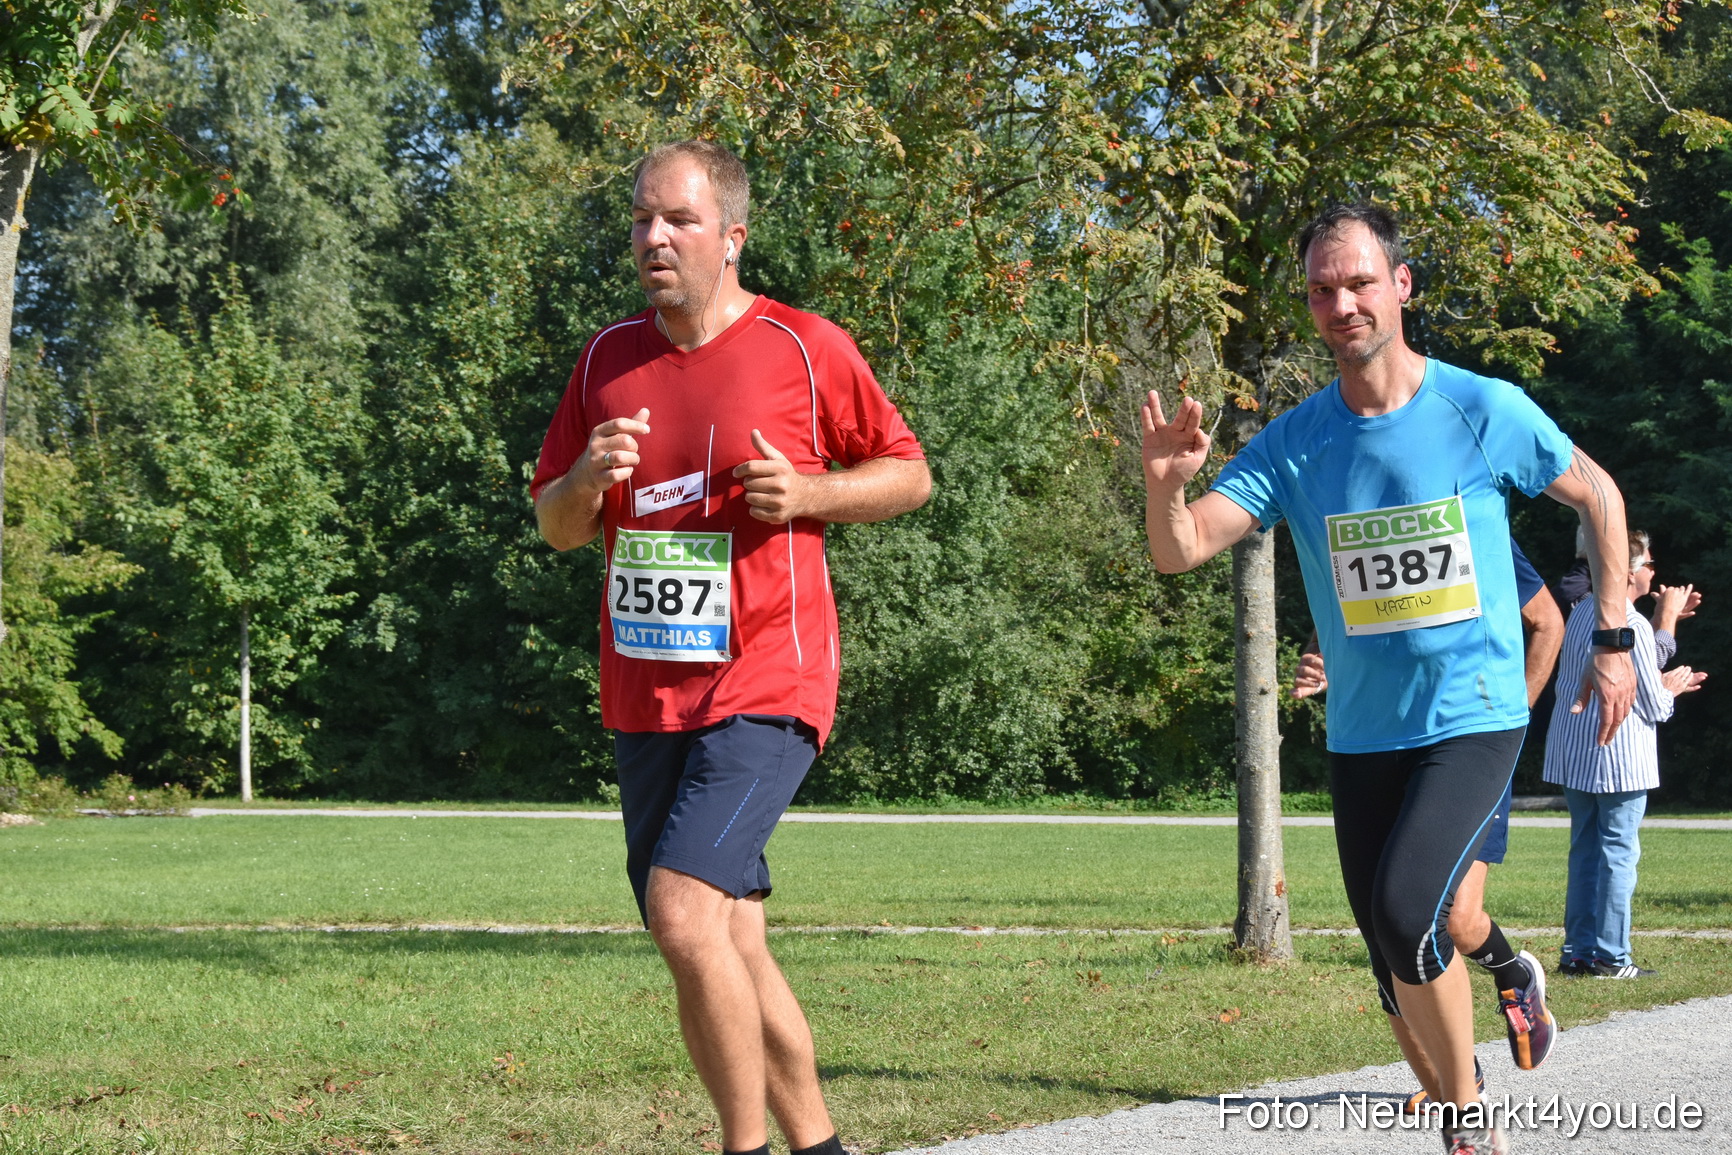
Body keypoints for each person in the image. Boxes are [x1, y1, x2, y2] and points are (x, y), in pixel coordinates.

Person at [1142, 202, 1636, 1155]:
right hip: (1366, 731)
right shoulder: (1297, 441)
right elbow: (1183, 550)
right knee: (1390, 950)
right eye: (1324, 289)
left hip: (1475, 715)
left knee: (1419, 911)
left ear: (1401, 285)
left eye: (1360, 281)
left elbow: (1601, 495)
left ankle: (1466, 1125)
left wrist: (1612, 636)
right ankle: (1471, 1088)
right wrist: (1166, 488)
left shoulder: (1480, 408)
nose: (1342, 303)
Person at [531, 140, 931, 1155]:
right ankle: (820, 1147)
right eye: (639, 219)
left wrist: (810, 494)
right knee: (731, 941)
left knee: (679, 914)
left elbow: (907, 473)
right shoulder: (604, 359)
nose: (652, 238)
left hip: (768, 677)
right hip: (645, 691)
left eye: (677, 220)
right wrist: (586, 475)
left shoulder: (803, 347)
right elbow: (557, 525)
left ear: (733, 237)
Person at [1293, 536, 1566, 1102]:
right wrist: (1319, 660)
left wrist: (1507, 731)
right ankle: (1455, 1086)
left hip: (1467, 748)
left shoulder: (1464, 520)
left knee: (1459, 921)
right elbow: (1339, 625)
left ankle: (1515, 977)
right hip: (1378, 750)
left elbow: (1547, 624)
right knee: (1390, 942)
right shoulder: (1345, 525)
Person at [1544, 531, 1707, 979]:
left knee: (1585, 854)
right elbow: (1654, 703)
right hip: (1620, 757)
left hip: (1576, 755)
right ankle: (1612, 957)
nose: (1655, 571)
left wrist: (1664, 618)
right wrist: (1671, 686)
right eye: (1650, 563)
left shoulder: (1580, 613)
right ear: (1630, 571)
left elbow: (1640, 656)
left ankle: (1577, 952)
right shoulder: (1628, 623)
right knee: (1618, 855)